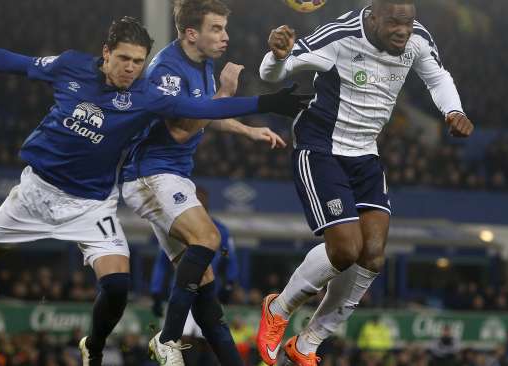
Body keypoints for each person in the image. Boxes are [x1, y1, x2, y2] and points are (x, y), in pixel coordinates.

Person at [0, 17, 306, 366]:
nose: (131, 69)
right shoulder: (70, 68)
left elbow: (203, 110)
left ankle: (94, 346)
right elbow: (12, 62)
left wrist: (267, 102)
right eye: (124, 59)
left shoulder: (147, 95)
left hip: (92, 204)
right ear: (106, 53)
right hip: (36, 192)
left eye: (138, 61)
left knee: (117, 284)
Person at [255, 0, 474, 365]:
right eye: (394, 24)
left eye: (409, 23)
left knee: (371, 255)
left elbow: (437, 76)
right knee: (344, 250)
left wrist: (454, 110)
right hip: (321, 147)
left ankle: (307, 343)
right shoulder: (340, 36)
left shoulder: (416, 39)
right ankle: (278, 309)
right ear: (372, 18)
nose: (403, 31)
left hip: (365, 154)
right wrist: (277, 56)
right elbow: (275, 73)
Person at [120, 1, 286, 365]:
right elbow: (181, 131)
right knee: (209, 239)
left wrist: (248, 130)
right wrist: (225, 95)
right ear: (191, 34)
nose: (225, 37)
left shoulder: (202, 62)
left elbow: (206, 114)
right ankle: (167, 339)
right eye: (216, 29)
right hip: (149, 173)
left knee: (206, 288)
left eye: (225, 28)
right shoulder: (167, 69)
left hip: (173, 175)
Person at [150, 186, 239, 366]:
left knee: (207, 340)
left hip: (207, 289)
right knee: (182, 339)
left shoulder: (220, 230)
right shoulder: (175, 227)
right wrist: (156, 292)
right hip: (181, 290)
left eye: (203, 198)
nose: (200, 201)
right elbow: (162, 262)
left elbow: (229, 258)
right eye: (196, 198)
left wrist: (229, 284)